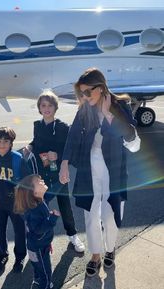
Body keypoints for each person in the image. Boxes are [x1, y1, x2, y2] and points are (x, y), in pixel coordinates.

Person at [59, 68, 141, 277]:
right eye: (82, 93)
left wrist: (107, 114)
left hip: (114, 169)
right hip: (89, 167)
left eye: (88, 92)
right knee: (90, 214)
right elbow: (73, 135)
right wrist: (65, 162)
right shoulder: (85, 108)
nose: (85, 97)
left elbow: (132, 138)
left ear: (101, 87)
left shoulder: (120, 104)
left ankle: (110, 248)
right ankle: (95, 256)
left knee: (109, 214)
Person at [24, 89, 85, 253]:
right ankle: (39, 235)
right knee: (40, 205)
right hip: (41, 174)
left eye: (50, 105)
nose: (46, 108)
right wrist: (30, 146)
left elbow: (69, 149)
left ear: (55, 107)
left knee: (65, 205)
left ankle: (72, 235)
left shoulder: (62, 127)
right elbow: (37, 141)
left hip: (59, 174)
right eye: (43, 105)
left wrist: (57, 155)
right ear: (39, 108)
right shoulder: (37, 125)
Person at [0, 127, 30, 272]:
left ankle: (20, 256)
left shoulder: (18, 158)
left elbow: (27, 180)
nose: (2, 144)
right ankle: (2, 255)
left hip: (16, 202)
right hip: (0, 201)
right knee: (0, 228)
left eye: (6, 141)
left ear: (11, 142)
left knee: (19, 230)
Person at [14, 174, 60, 289]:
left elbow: (52, 193)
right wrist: (52, 219)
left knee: (38, 269)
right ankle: (45, 285)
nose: (42, 180)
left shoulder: (39, 200)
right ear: (33, 192)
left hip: (37, 246)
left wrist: (61, 182)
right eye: (39, 181)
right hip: (39, 249)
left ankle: (37, 281)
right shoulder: (35, 209)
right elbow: (39, 230)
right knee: (46, 274)